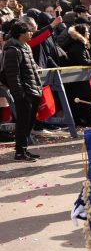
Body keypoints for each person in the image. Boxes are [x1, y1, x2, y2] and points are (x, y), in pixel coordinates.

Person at [1, 22, 42, 161]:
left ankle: (24, 149)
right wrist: (20, 94)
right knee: (23, 122)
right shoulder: (12, 50)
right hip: (24, 93)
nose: (31, 34)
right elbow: (13, 75)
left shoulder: (26, 47)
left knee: (29, 122)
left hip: (32, 89)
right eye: (29, 32)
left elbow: (31, 69)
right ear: (21, 34)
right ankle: (19, 152)